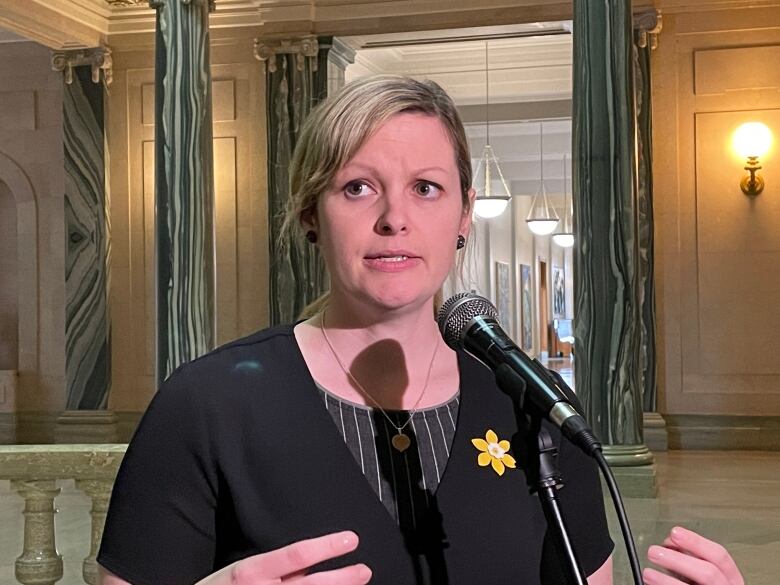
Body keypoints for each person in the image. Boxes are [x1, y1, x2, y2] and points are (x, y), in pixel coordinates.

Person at [96, 75, 743, 585]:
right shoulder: (208, 405)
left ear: (464, 214)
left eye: (427, 188)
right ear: (309, 214)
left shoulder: (531, 403)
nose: (394, 218)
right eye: (357, 187)